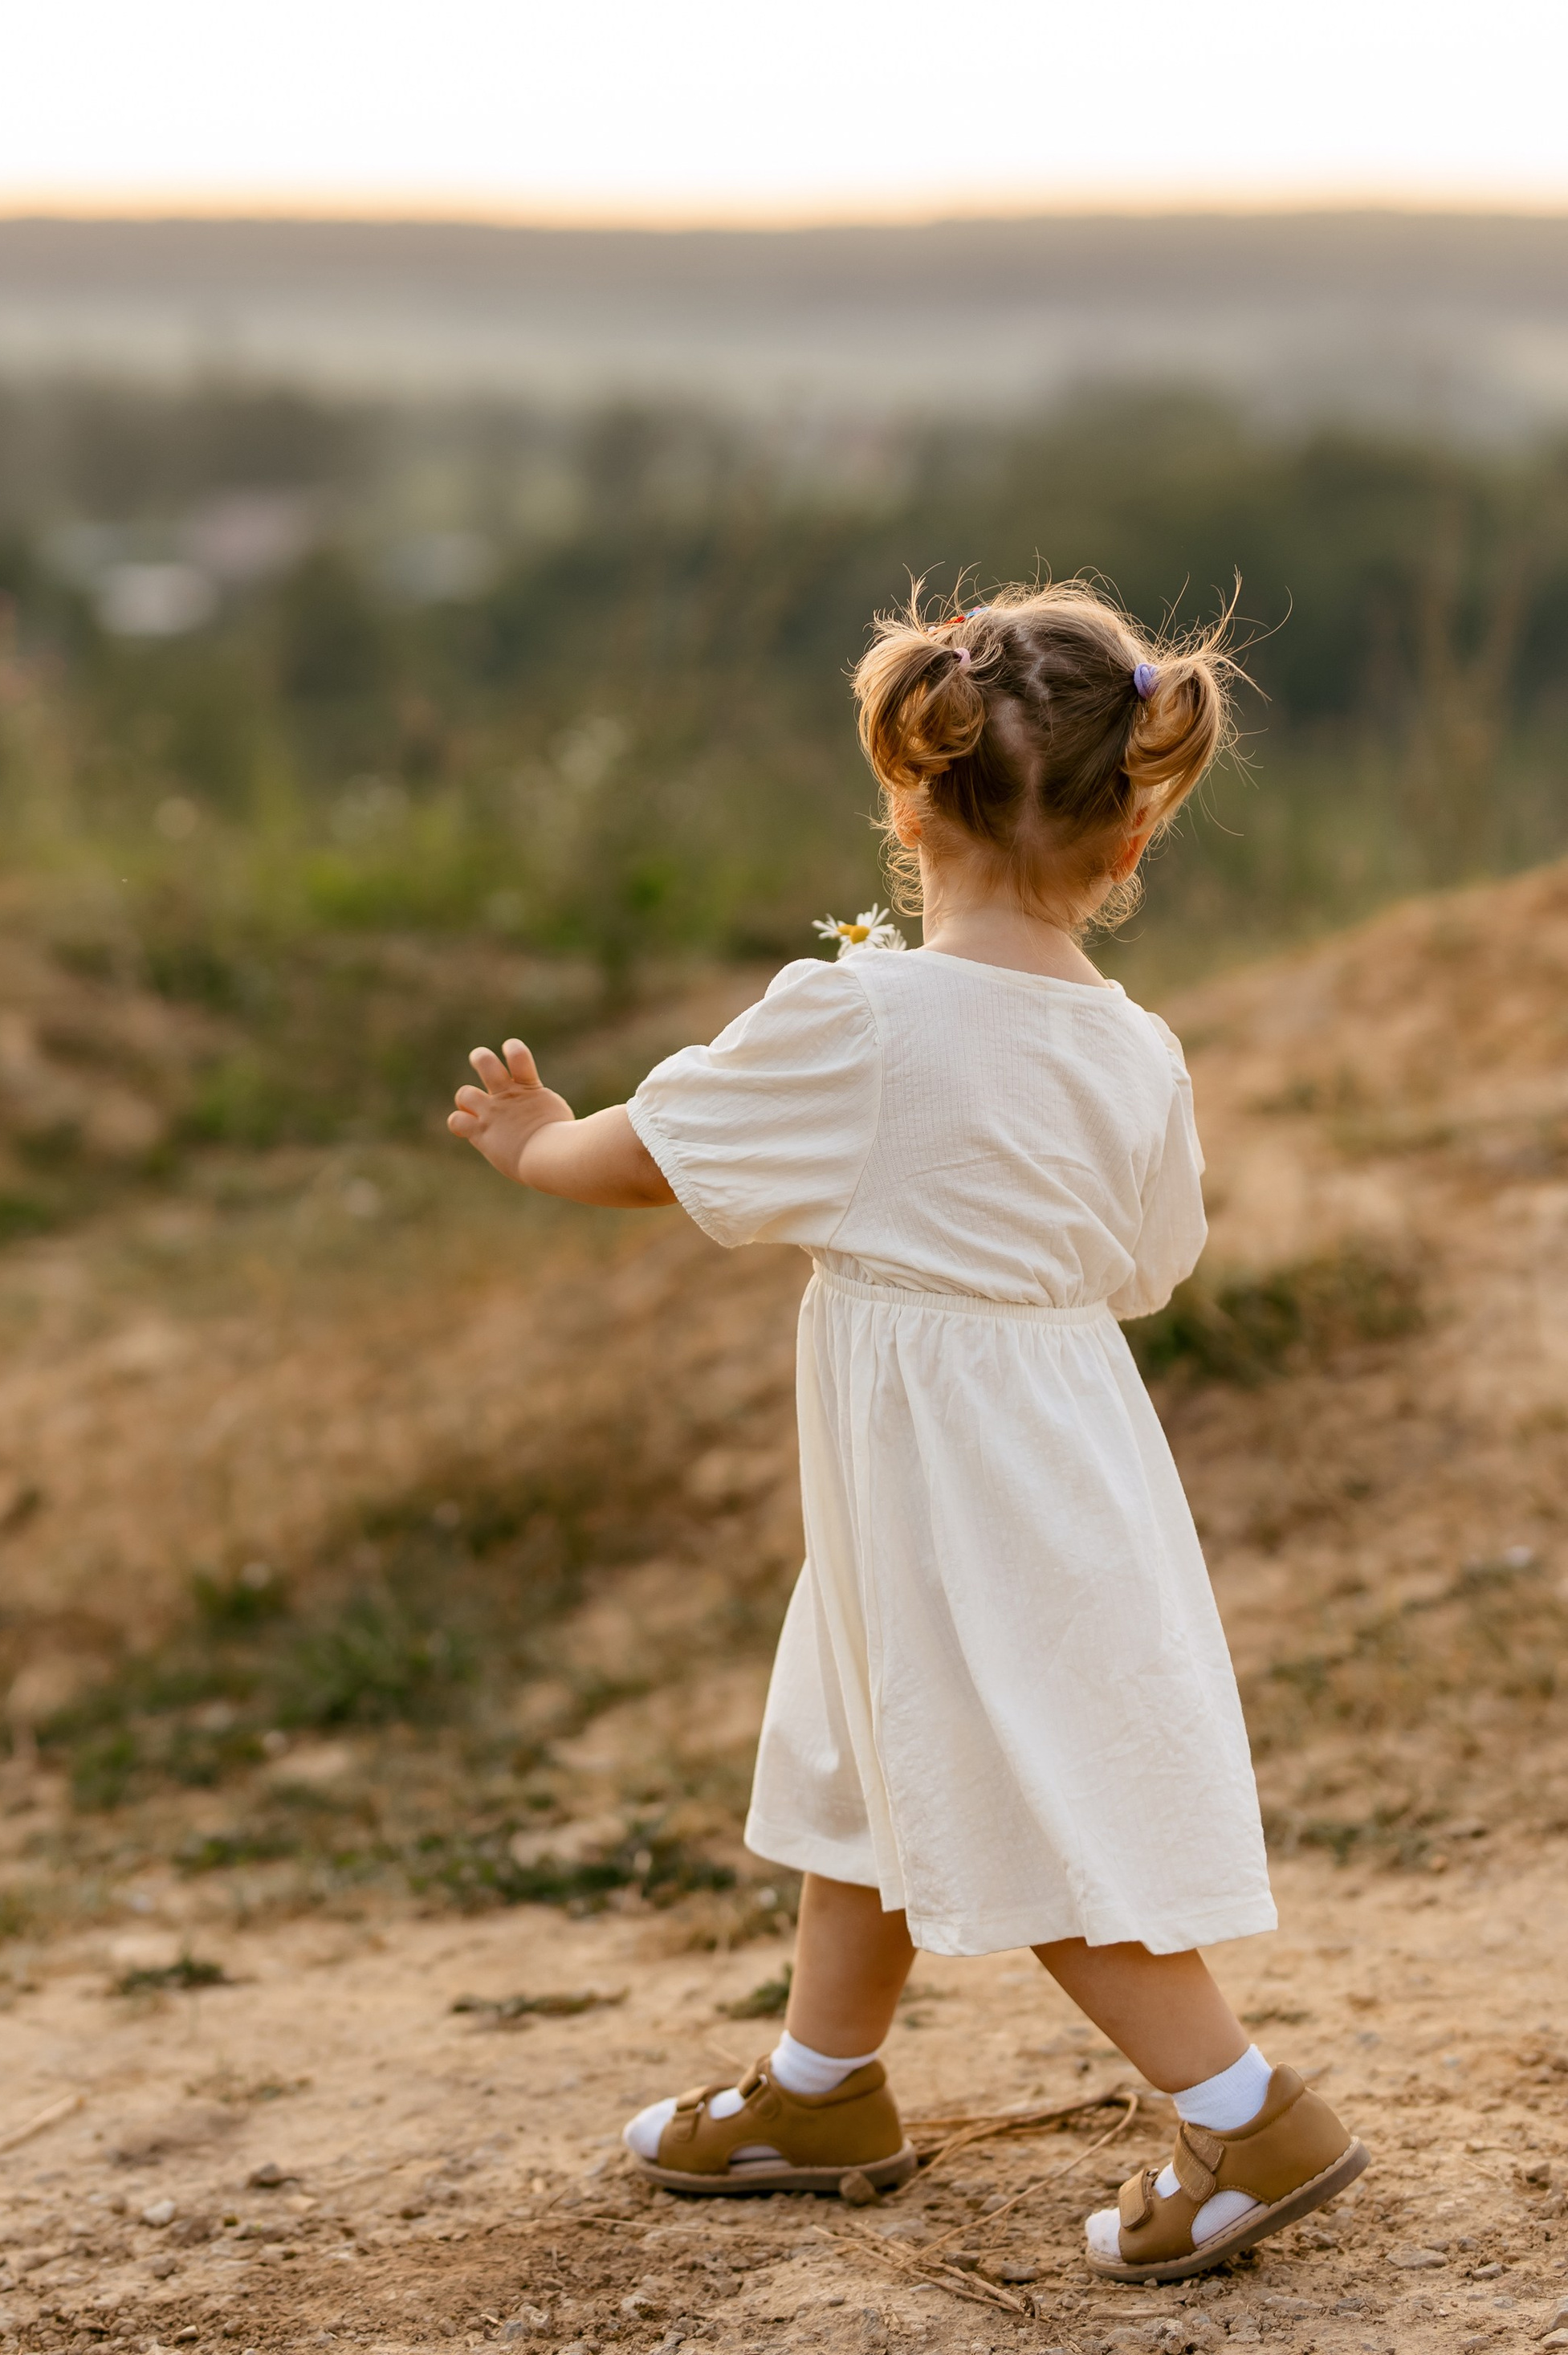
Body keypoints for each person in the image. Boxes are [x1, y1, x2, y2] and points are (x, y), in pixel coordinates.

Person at [446, 581, 1367, 2287]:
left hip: (950, 1473)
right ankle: (819, 2087)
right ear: (1127, 838)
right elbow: (1150, 1261)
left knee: (1014, 1779)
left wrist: (533, 1142)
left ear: (904, 800)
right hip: (1055, 1435)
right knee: (867, 1739)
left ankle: (1245, 2112)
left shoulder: (856, 1018)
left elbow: (653, 1146)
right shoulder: (1131, 1045)